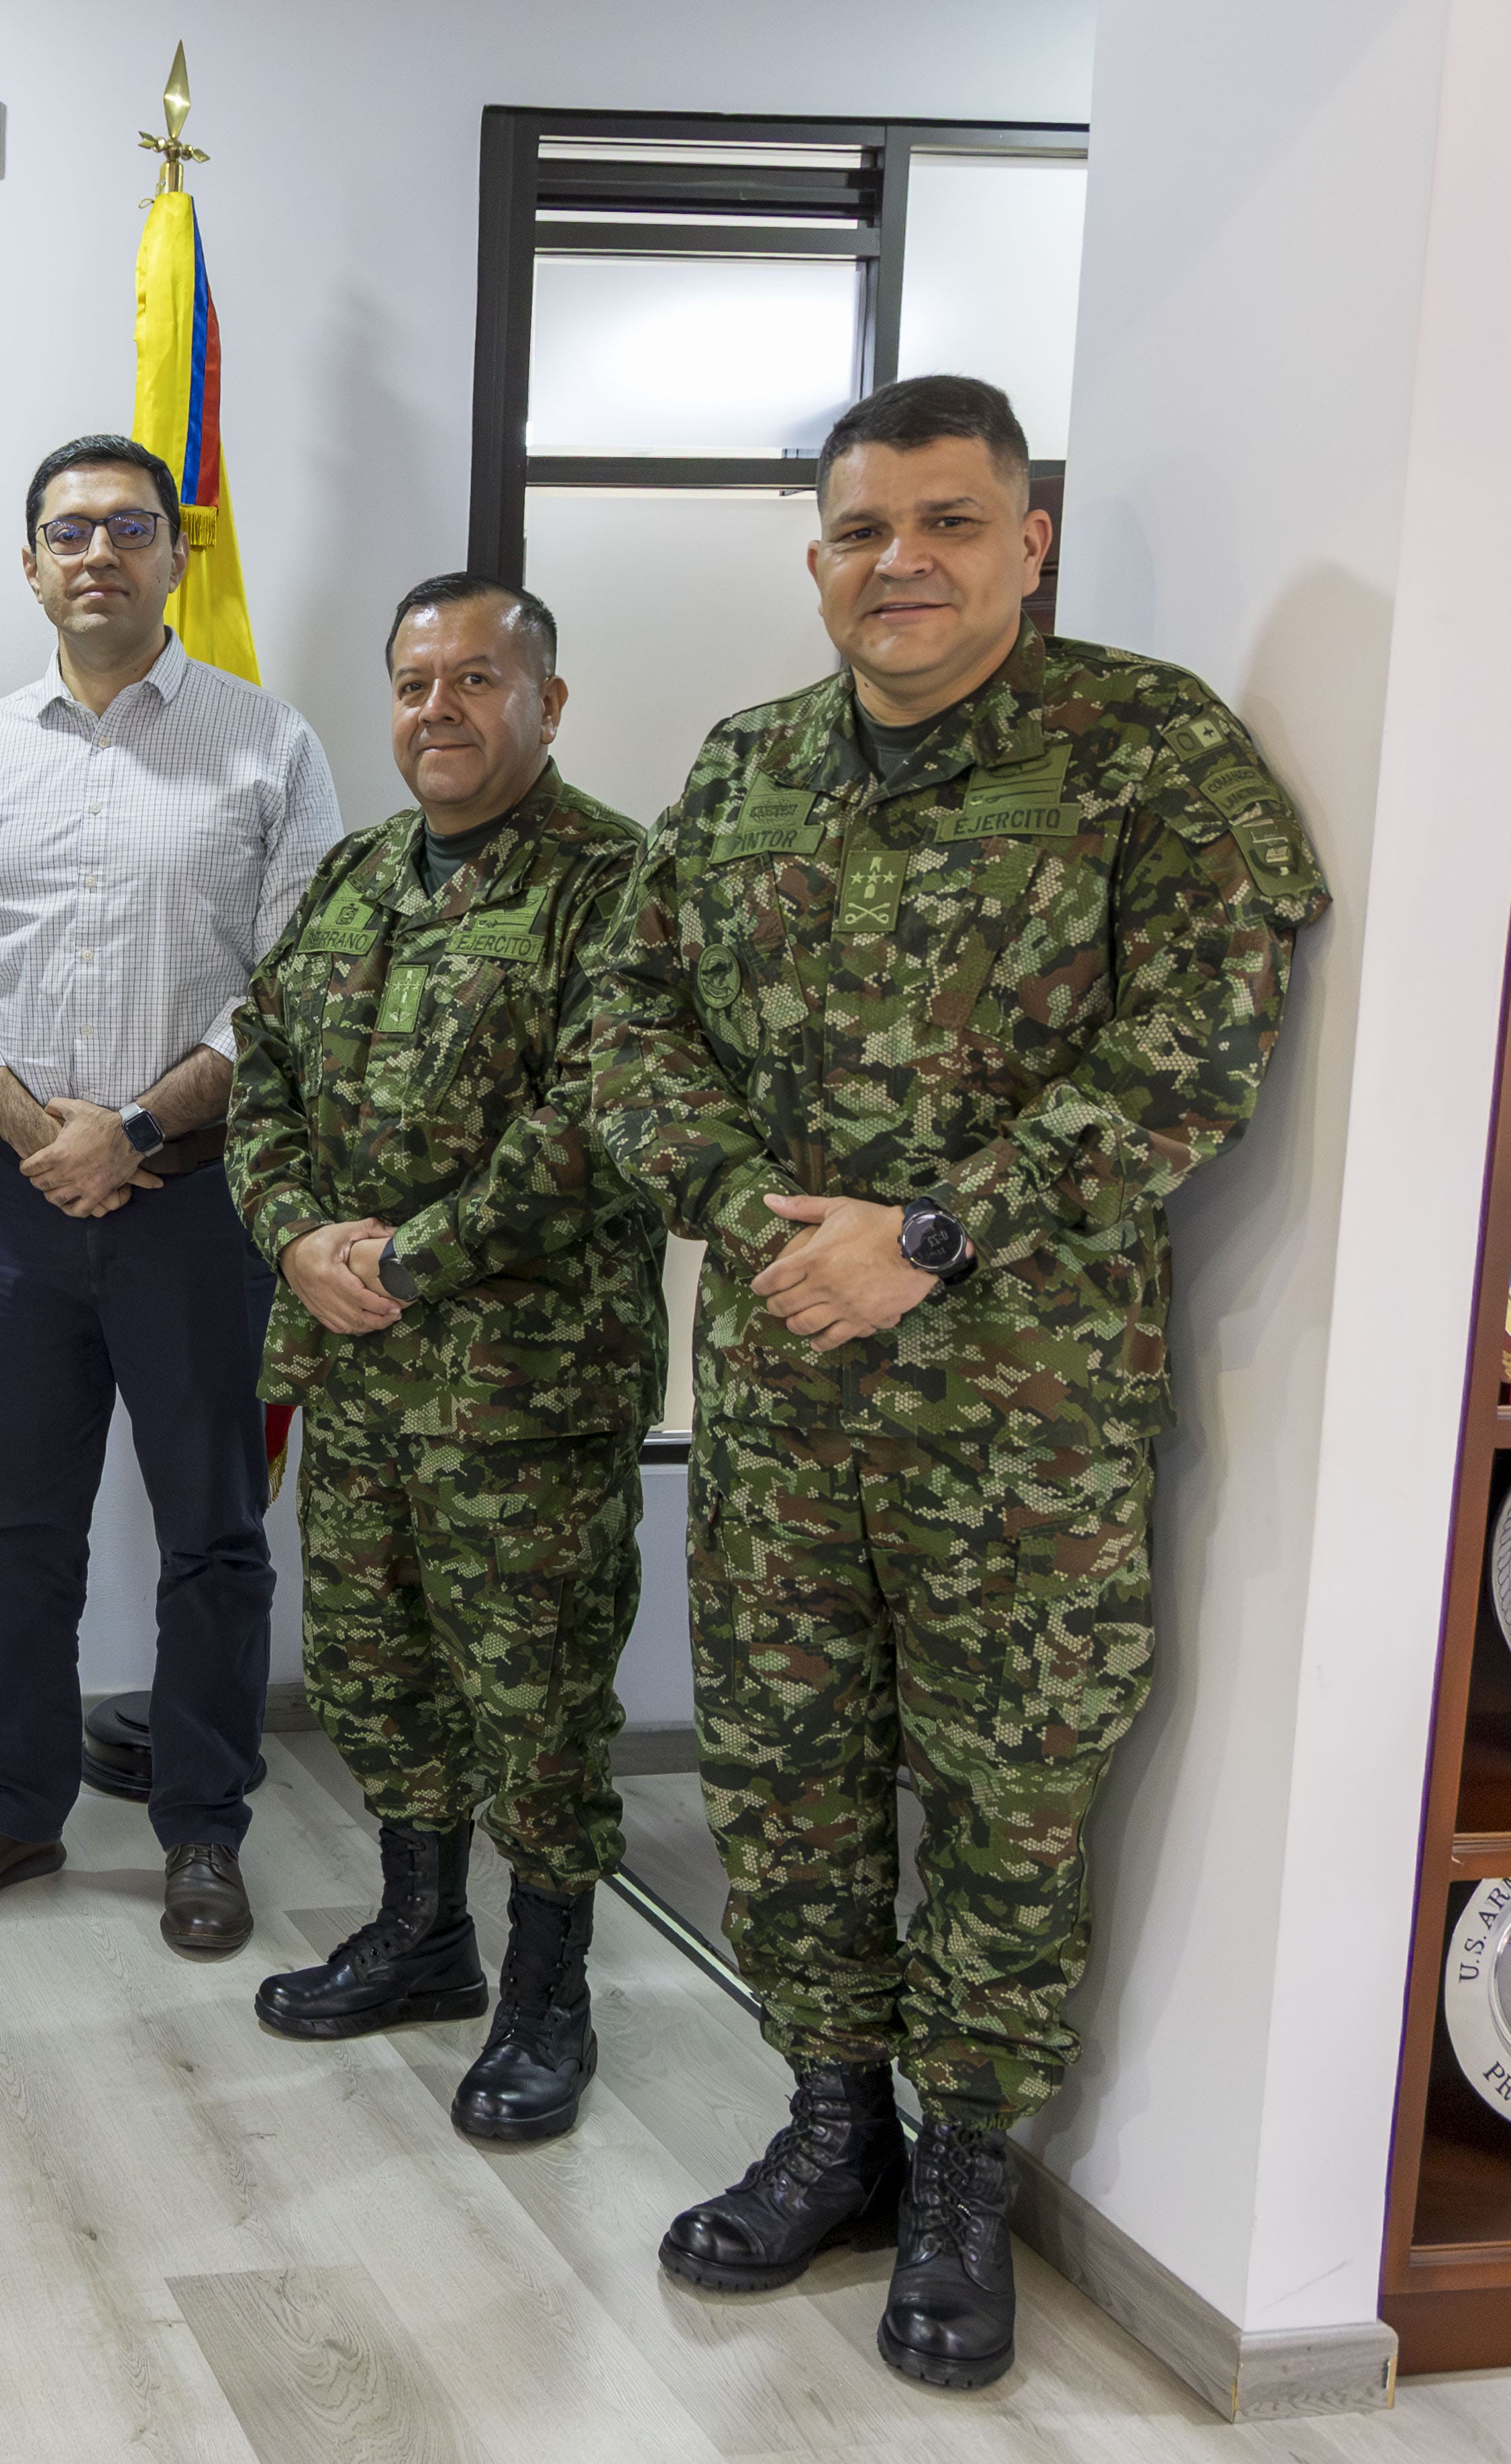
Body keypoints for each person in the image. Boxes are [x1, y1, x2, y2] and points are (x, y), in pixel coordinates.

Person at [592, 375, 1327, 2388]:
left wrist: (930, 1233)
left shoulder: (1146, 753)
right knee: (785, 1772)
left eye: (942, 522)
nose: (895, 563)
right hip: (779, 1389)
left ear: (1031, 539)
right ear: (815, 557)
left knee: (1009, 1796)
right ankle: (834, 2123)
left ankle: (967, 2171)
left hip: (1025, 1423)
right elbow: (623, 1038)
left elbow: (1196, 1046)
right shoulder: (743, 773)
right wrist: (761, 1216)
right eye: (856, 530)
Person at [0, 433, 341, 1957]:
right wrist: (39, 1135)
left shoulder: (266, 746)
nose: (98, 552)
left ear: (172, 555)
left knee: (211, 1530)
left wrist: (134, 1129)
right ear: (27, 566)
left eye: (129, 528)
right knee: (19, 1524)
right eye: (67, 531)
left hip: (203, 1206)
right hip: (14, 1203)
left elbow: (296, 989)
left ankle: (202, 1831)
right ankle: (11, 1808)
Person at [226, 574, 663, 2134]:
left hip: (522, 1389)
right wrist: (290, 1236)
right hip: (353, 1377)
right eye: (415, 684)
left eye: (477, 681)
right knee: (373, 1671)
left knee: (536, 1706)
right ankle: (424, 1937)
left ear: (547, 700)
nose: (439, 711)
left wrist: (404, 1257)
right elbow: (258, 1071)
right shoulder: (354, 878)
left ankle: (550, 1996)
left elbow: (595, 1125)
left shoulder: (617, 885)